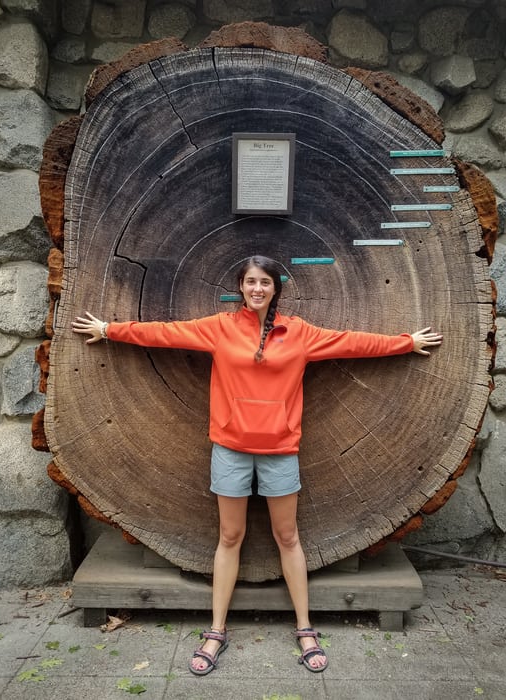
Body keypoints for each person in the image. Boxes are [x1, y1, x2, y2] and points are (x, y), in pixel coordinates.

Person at [72, 254, 442, 676]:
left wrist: (405, 343)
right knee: (230, 536)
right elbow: (164, 333)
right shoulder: (219, 328)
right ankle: (216, 630)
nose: (257, 289)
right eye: (250, 281)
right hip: (230, 448)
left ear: (275, 288)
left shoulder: (299, 333)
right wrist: (108, 330)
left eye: (265, 282)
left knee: (288, 537)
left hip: (281, 450)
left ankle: (305, 628)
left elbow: (353, 342)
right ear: (240, 287)